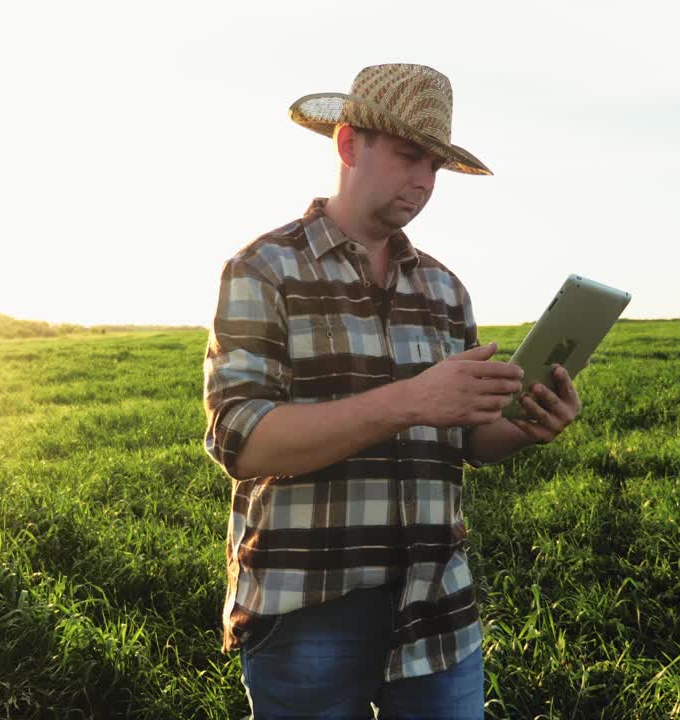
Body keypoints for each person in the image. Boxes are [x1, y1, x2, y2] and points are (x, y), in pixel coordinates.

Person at [202, 63, 583, 719]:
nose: (424, 182)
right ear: (349, 145)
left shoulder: (443, 289)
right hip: (308, 610)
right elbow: (242, 440)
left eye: (435, 166)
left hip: (438, 607)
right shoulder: (263, 269)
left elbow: (468, 441)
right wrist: (410, 400)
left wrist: (526, 424)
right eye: (410, 156)